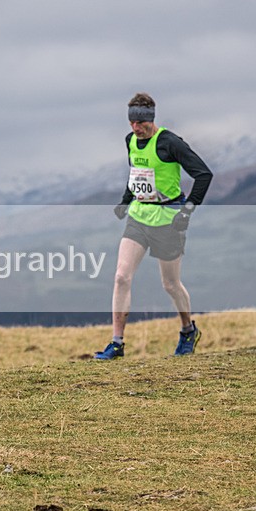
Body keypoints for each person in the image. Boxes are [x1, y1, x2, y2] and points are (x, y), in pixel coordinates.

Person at [95, 93, 212, 360]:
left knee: (170, 284)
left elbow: (204, 174)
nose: (136, 128)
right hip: (139, 217)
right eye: (131, 122)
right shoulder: (131, 141)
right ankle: (117, 343)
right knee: (121, 276)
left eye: (140, 122)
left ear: (151, 118)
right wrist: (126, 201)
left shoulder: (170, 143)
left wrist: (188, 209)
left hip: (168, 220)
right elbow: (135, 173)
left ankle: (187, 330)